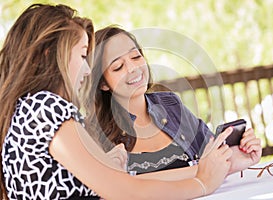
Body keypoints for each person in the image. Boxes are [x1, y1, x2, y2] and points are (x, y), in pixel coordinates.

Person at [0, 3, 242, 200]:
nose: (86, 70)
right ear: (50, 54)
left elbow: (127, 184)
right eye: (83, 55)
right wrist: (202, 184)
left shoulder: (29, 110)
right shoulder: (46, 109)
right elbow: (127, 192)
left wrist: (223, 165)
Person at [91, 25, 262, 175]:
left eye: (136, 57)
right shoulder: (94, 134)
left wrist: (241, 152)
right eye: (118, 67)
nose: (133, 68)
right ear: (103, 83)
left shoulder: (170, 104)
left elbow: (212, 155)